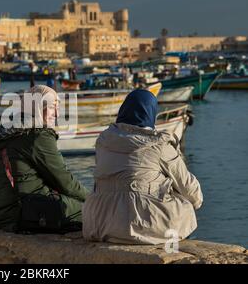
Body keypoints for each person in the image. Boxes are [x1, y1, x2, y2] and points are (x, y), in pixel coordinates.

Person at [83, 89, 203, 244]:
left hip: (98, 222)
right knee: (184, 203)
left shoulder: (103, 141)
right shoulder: (159, 145)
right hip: (140, 227)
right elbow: (193, 193)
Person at [0, 85, 89, 234]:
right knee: (97, 213)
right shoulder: (37, 136)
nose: (57, 114)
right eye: (52, 108)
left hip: (1, 214)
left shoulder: (10, 129)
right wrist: (95, 199)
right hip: (21, 214)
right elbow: (65, 182)